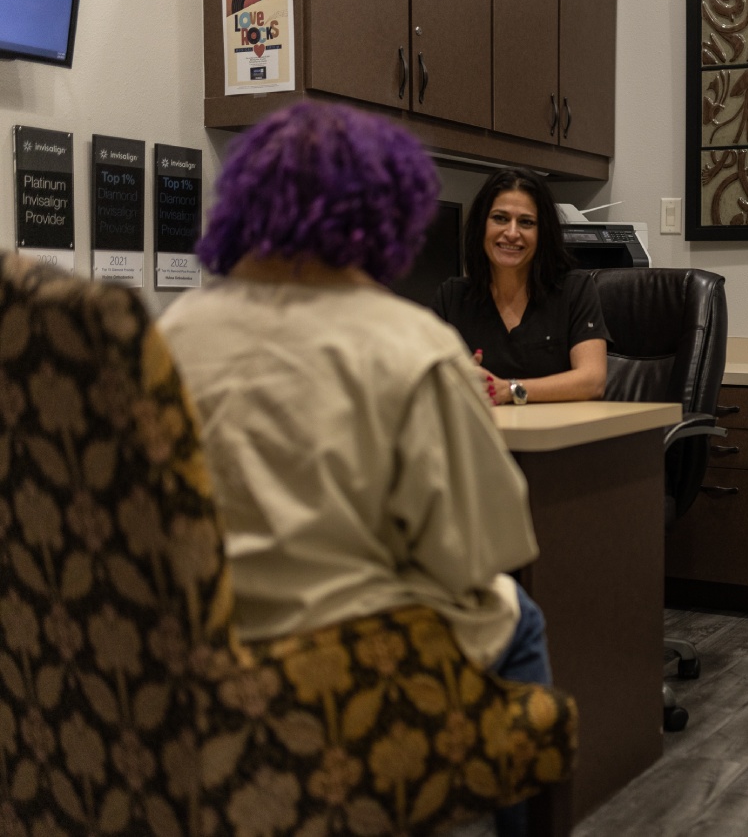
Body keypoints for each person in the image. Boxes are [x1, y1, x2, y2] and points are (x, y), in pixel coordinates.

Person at [158, 102, 548, 833]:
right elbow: (485, 548)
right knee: (516, 615)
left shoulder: (174, 331)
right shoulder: (413, 344)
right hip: (336, 663)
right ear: (390, 214)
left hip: (191, 648)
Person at [432, 167, 609, 405]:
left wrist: (510, 390)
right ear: (481, 226)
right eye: (500, 218)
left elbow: (592, 381)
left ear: (542, 233)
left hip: (557, 437)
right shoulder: (452, 297)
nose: (512, 233)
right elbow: (422, 379)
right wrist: (453, 381)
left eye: (526, 222)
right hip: (480, 437)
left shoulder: (574, 290)